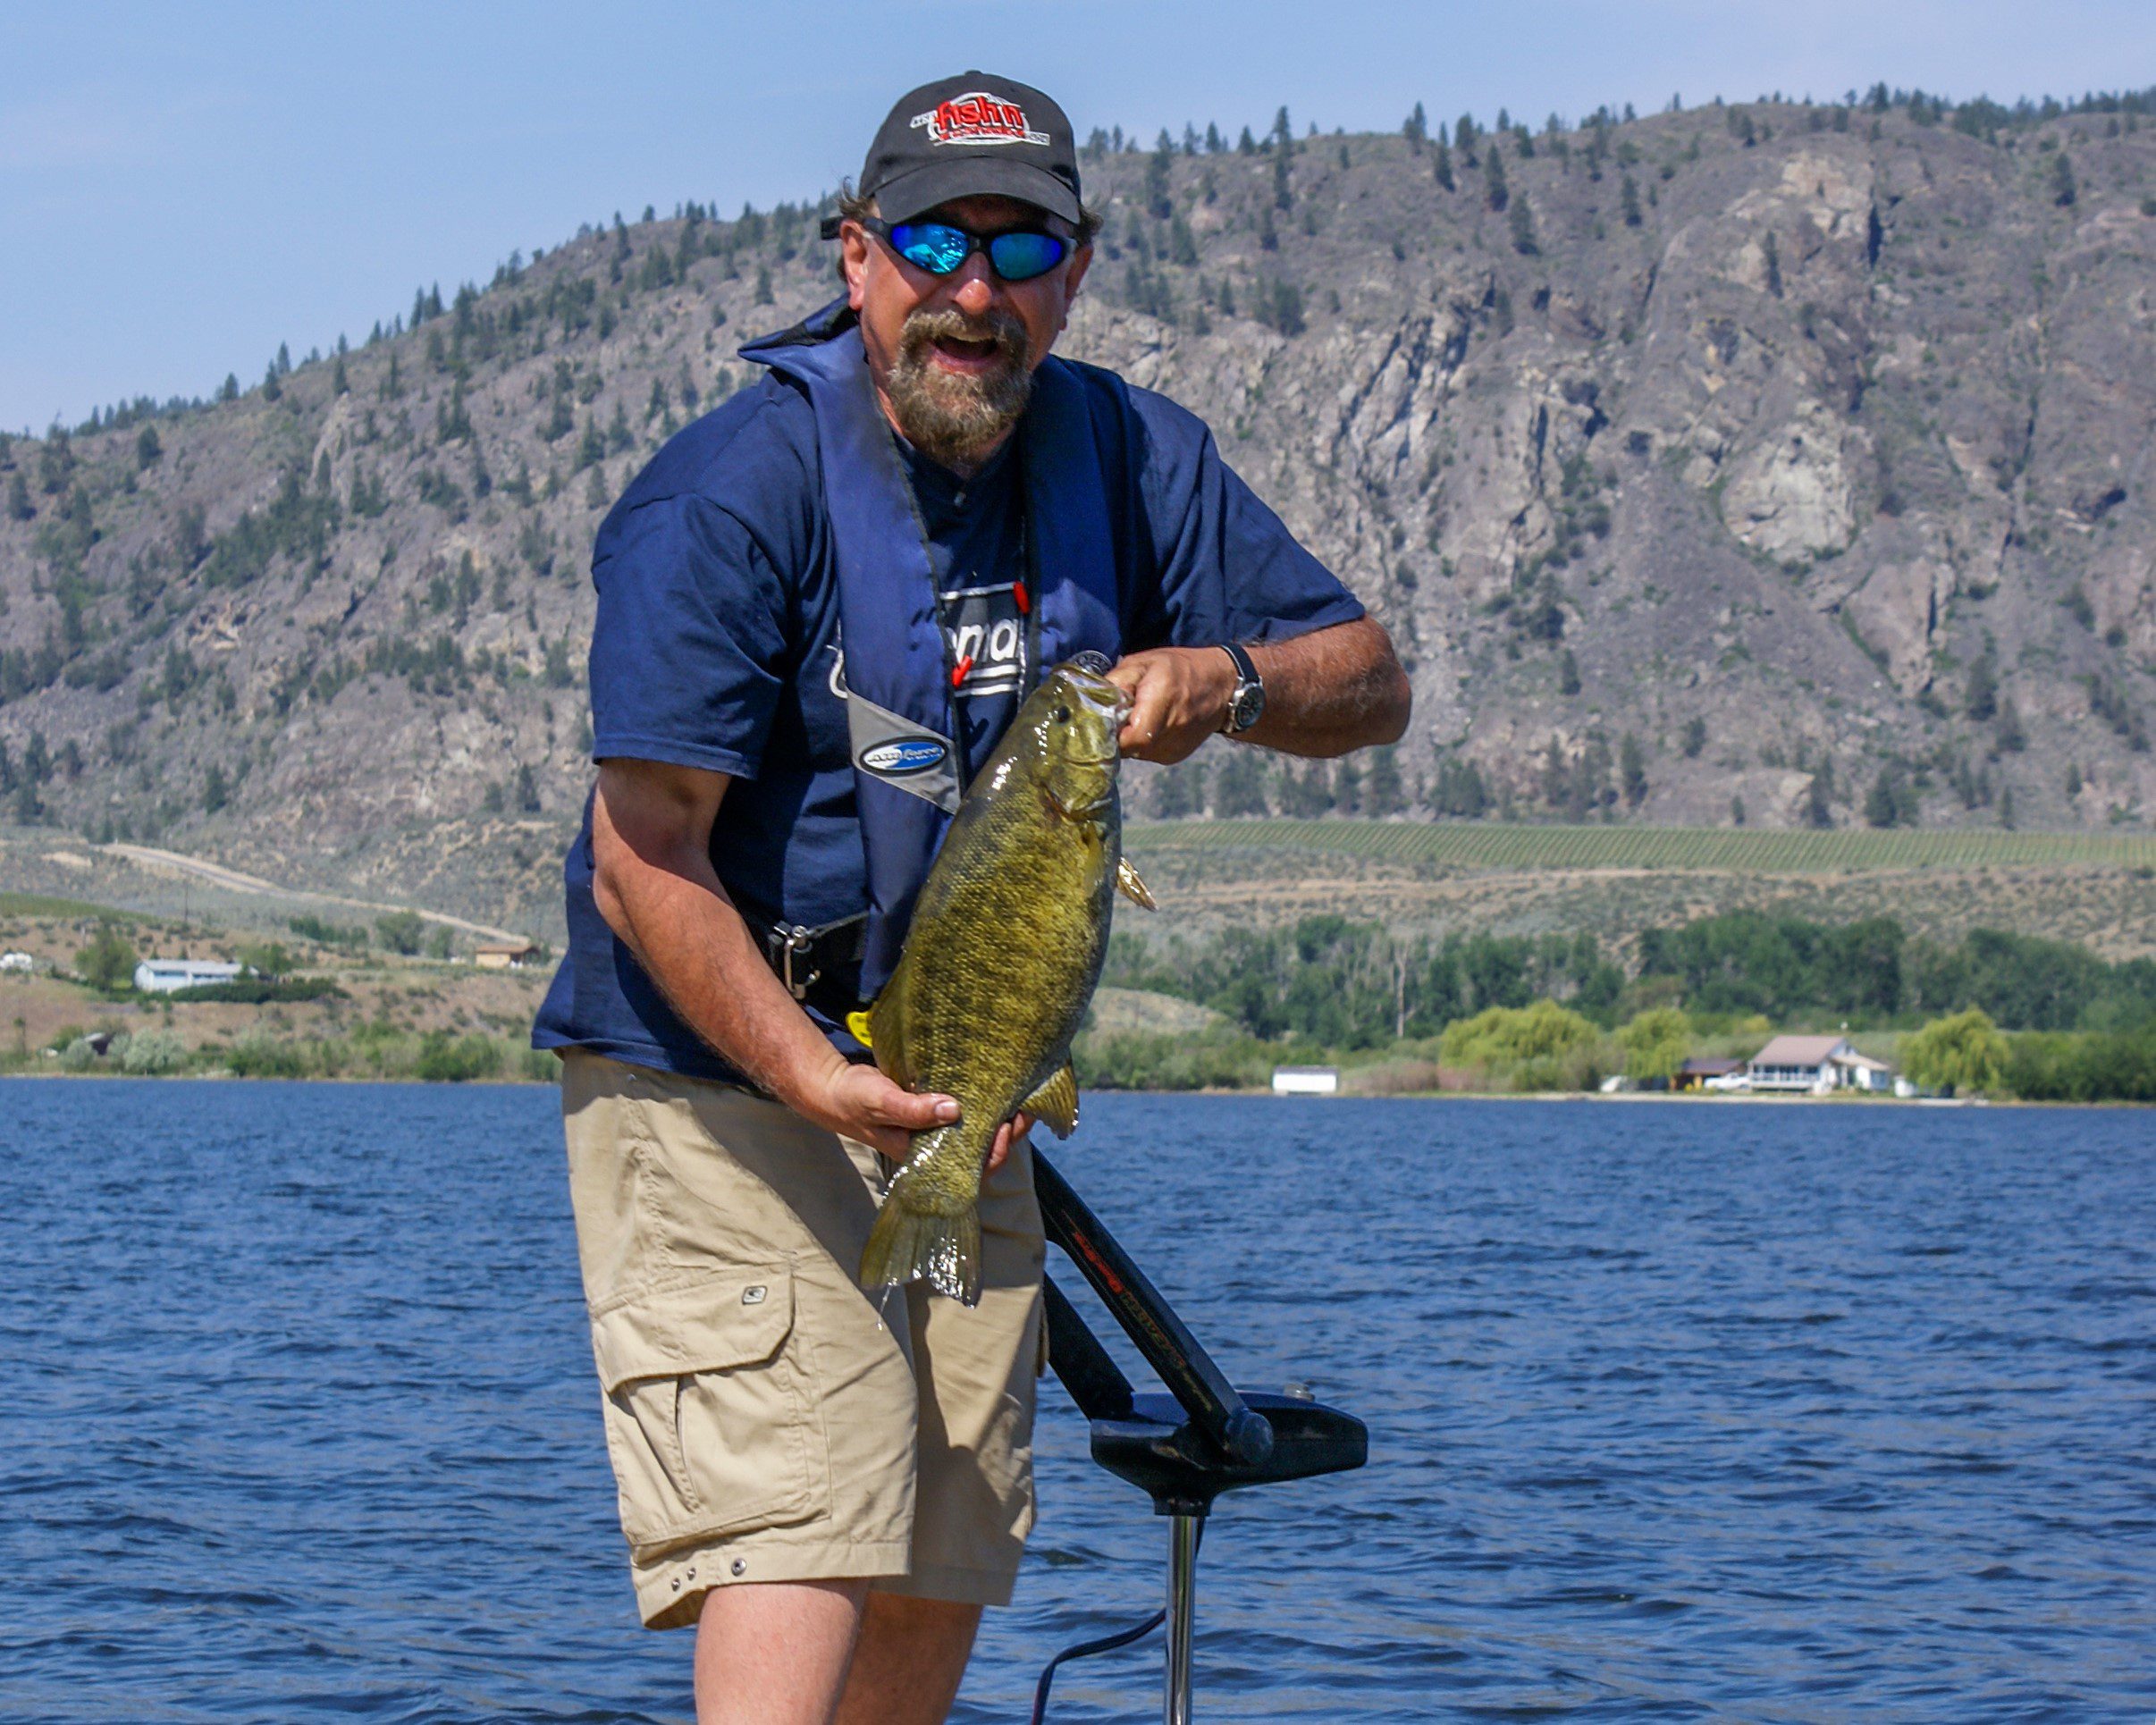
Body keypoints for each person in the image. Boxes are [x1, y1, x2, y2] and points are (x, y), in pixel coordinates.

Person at [533, 70, 1411, 1725]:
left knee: (941, 1534)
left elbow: (1368, 682)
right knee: (806, 1507)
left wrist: (1222, 679)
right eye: (937, 240)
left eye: (1025, 249)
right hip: (723, 1076)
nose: (977, 291)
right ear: (859, 256)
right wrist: (813, 1074)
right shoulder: (729, 497)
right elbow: (636, 853)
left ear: (1076, 275)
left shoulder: (1133, 456)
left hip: (957, 1078)